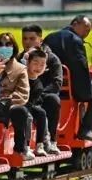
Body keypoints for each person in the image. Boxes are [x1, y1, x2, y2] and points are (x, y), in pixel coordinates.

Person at [43, 16, 92, 141]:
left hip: (50, 85)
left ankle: (91, 127)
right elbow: (80, 67)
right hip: (70, 87)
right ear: (75, 24)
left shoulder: (50, 37)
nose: (87, 34)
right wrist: (86, 92)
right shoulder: (76, 40)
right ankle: (87, 128)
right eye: (86, 29)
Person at [0, 32, 33, 160]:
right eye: (0, 44)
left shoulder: (20, 69)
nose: (4, 47)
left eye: (8, 44)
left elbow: (23, 94)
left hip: (9, 105)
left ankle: (20, 149)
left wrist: (5, 100)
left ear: (14, 47)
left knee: (20, 110)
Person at [20, 25, 63, 153]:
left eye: (32, 38)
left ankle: (52, 141)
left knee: (53, 99)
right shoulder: (20, 58)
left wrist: (40, 93)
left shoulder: (52, 59)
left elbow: (57, 82)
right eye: (25, 39)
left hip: (44, 94)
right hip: (25, 95)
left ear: (41, 40)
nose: (28, 42)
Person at [24, 48, 53, 157]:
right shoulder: (22, 75)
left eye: (42, 64)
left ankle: (40, 144)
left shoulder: (38, 85)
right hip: (18, 103)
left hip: (30, 105)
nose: (38, 67)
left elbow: (31, 103)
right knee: (27, 116)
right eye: (35, 63)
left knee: (41, 113)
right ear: (28, 63)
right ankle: (25, 147)